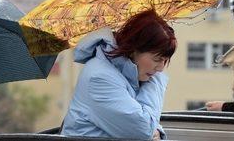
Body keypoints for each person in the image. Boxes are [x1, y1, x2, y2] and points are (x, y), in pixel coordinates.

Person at [61, 9, 177, 140]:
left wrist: (156, 130)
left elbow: (144, 123)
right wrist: (155, 82)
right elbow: (143, 130)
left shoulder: (128, 74)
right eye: (157, 59)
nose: (161, 68)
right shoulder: (99, 78)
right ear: (134, 49)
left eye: (165, 60)